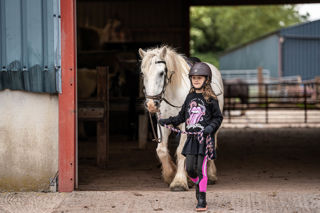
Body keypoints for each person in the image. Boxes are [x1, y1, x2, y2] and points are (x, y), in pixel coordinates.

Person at [159, 62, 223, 212]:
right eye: (194, 78)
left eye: (199, 78)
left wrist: (210, 128)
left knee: (201, 170)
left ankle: (202, 199)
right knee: (190, 169)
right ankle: (199, 184)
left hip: (204, 140)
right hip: (191, 140)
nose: (196, 80)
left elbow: (218, 118)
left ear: (206, 80)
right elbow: (181, 116)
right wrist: (166, 121)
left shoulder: (211, 98)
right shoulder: (189, 97)